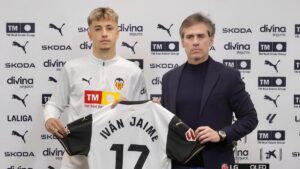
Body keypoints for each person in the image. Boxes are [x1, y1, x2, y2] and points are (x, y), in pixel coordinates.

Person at [43, 7, 148, 169]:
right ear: (89, 34)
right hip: (77, 158)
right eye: (98, 29)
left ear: (118, 32)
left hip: (115, 155)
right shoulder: (72, 68)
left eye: (109, 28)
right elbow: (54, 103)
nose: (104, 34)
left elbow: (144, 115)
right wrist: (49, 118)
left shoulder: (133, 71)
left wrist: (129, 108)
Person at [161, 13, 258, 169]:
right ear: (182, 42)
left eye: (201, 36)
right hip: (176, 163)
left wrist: (221, 134)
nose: (195, 42)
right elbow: (166, 122)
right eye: (189, 37)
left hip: (215, 163)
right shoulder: (168, 79)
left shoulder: (229, 76)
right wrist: (154, 109)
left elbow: (250, 118)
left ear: (211, 40)